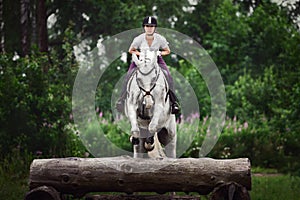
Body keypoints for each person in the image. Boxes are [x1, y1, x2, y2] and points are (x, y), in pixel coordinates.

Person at [116, 16, 180, 114]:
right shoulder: (138, 39)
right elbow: (131, 50)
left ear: (155, 28)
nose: (149, 28)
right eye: (147, 26)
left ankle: (173, 102)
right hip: (141, 59)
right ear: (144, 27)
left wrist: (159, 53)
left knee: (168, 75)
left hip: (156, 59)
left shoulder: (160, 39)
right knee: (128, 76)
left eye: (151, 26)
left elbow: (167, 51)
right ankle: (121, 100)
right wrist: (140, 54)